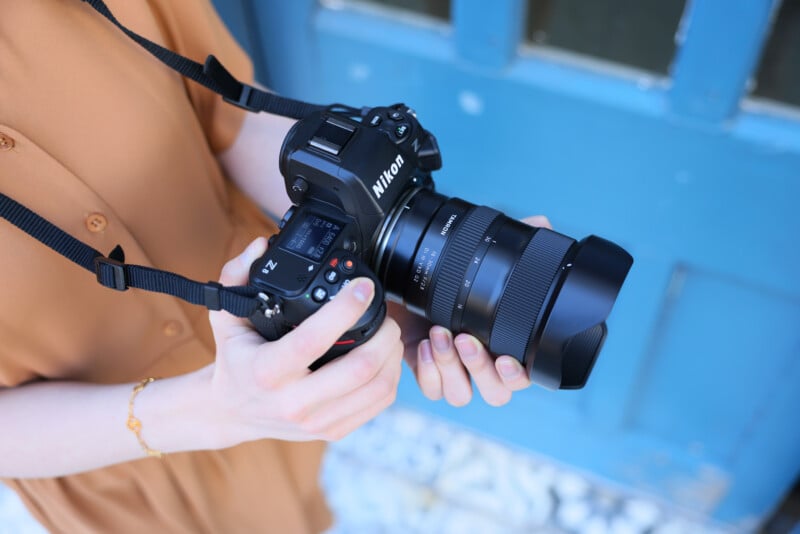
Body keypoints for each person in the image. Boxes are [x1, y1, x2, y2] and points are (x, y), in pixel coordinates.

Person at [0, 1, 545, 532]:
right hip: (110, 463)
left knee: (296, 510)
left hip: (282, 354)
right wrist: (215, 411)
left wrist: (416, 256)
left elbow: (231, 118)